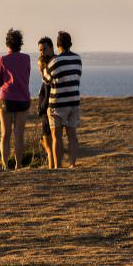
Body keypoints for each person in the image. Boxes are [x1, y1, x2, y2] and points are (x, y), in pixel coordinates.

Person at [0, 28, 31, 170]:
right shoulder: (26, 58)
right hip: (23, 98)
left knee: (5, 133)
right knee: (19, 134)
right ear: (20, 43)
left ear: (7, 44)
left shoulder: (3, 59)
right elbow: (26, 77)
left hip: (6, 99)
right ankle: (18, 165)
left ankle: (5, 165)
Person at [46, 30, 82, 168]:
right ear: (70, 44)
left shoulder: (55, 61)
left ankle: (58, 166)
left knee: (57, 137)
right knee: (72, 136)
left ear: (57, 44)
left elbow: (46, 79)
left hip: (58, 103)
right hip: (74, 101)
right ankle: (72, 164)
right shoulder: (78, 59)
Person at [36, 36, 61, 169]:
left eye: (44, 49)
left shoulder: (51, 65)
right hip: (50, 107)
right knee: (52, 142)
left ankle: (52, 169)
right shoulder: (48, 63)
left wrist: (42, 107)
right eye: (40, 50)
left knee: (49, 143)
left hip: (49, 109)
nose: (42, 52)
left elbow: (48, 89)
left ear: (51, 48)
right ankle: (55, 167)